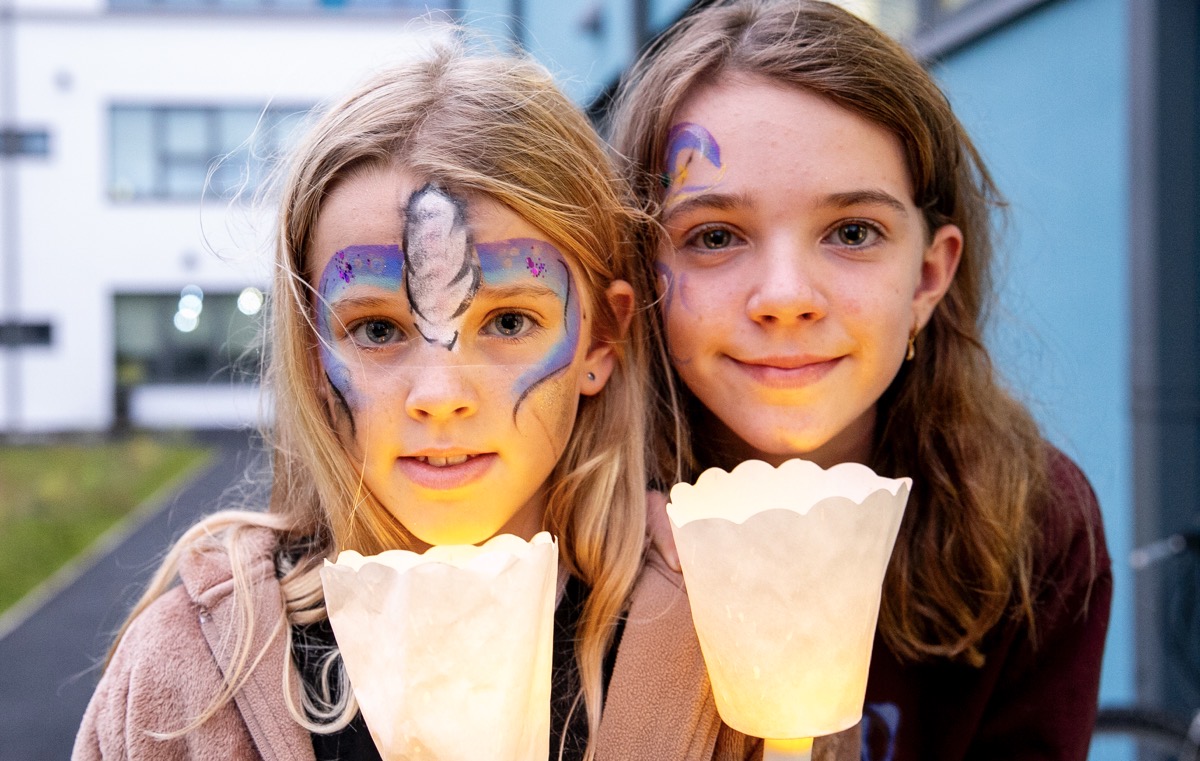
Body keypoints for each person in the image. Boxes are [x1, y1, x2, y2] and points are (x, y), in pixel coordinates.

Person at [610, 2, 1112, 759]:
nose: (785, 297)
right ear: (639, 273)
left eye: (852, 232)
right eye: (714, 236)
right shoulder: (566, 528)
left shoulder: (1031, 530)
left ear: (928, 275)